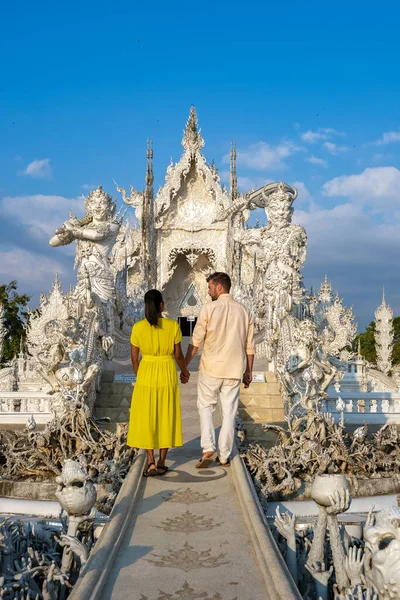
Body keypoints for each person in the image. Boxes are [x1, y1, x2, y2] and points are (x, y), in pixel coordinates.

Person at [183, 272, 254, 468]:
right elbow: (250, 347)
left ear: (220, 288)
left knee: (206, 407)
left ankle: (208, 448)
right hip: (233, 370)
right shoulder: (244, 312)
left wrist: (185, 365)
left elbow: (196, 341)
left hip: (211, 368)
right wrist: (249, 371)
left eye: (210, 287)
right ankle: (224, 456)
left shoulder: (209, 309)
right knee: (229, 413)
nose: (208, 291)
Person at [128, 289, 190, 477]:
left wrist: (141, 376)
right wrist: (185, 372)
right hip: (166, 372)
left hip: (146, 371)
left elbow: (133, 357)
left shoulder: (138, 327)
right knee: (165, 414)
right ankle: (162, 461)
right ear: (161, 305)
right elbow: (178, 355)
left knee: (147, 417)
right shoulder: (172, 326)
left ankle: (151, 462)